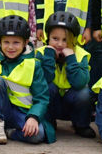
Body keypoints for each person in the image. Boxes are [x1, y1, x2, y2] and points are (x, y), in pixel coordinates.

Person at [0, 16, 52, 145]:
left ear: (25, 42)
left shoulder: (33, 65)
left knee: (38, 135)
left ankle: (10, 132)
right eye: (6, 42)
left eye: (16, 42)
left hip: (23, 113)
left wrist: (33, 117)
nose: (10, 47)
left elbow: (42, 98)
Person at [38, 11, 95, 139]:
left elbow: (80, 83)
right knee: (47, 87)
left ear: (74, 40)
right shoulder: (41, 53)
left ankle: (81, 125)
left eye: (65, 40)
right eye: (55, 39)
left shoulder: (81, 55)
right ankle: (49, 121)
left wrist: (71, 59)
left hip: (72, 101)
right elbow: (43, 80)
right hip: (52, 101)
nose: (59, 44)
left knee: (85, 93)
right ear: (48, 38)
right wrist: (49, 57)